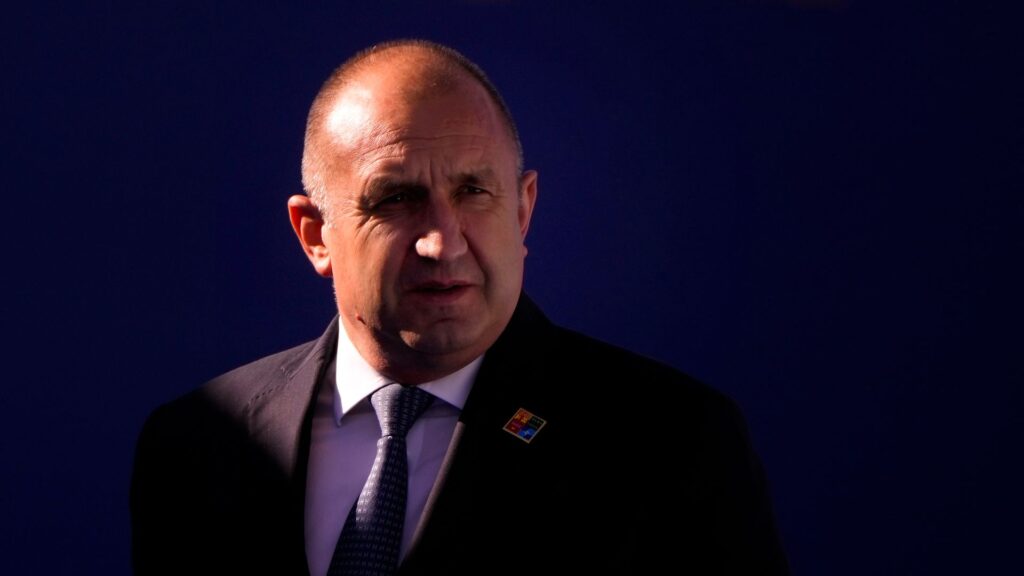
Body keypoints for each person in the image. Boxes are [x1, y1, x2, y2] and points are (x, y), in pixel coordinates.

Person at [130, 39, 789, 575]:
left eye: (474, 191)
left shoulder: (669, 444)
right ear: (315, 235)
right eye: (396, 199)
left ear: (523, 210)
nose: (442, 242)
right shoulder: (196, 445)